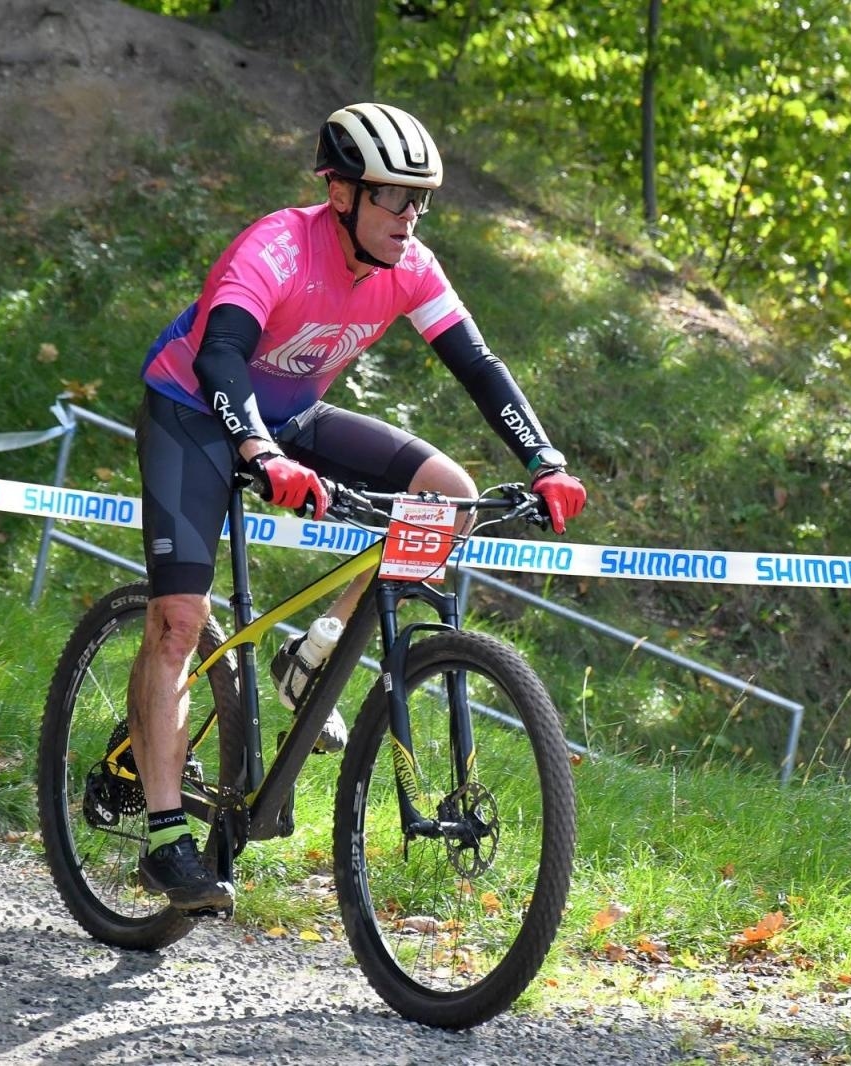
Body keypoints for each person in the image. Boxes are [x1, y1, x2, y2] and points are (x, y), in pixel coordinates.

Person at [126, 103, 588, 912]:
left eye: (421, 202)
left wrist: (544, 459)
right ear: (341, 194)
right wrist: (259, 452)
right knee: (178, 620)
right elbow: (221, 354)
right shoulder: (274, 248)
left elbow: (479, 365)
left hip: (295, 413)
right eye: (394, 199)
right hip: (194, 411)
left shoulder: (410, 264)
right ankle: (167, 837)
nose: (410, 218)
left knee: (451, 498)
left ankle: (318, 651)